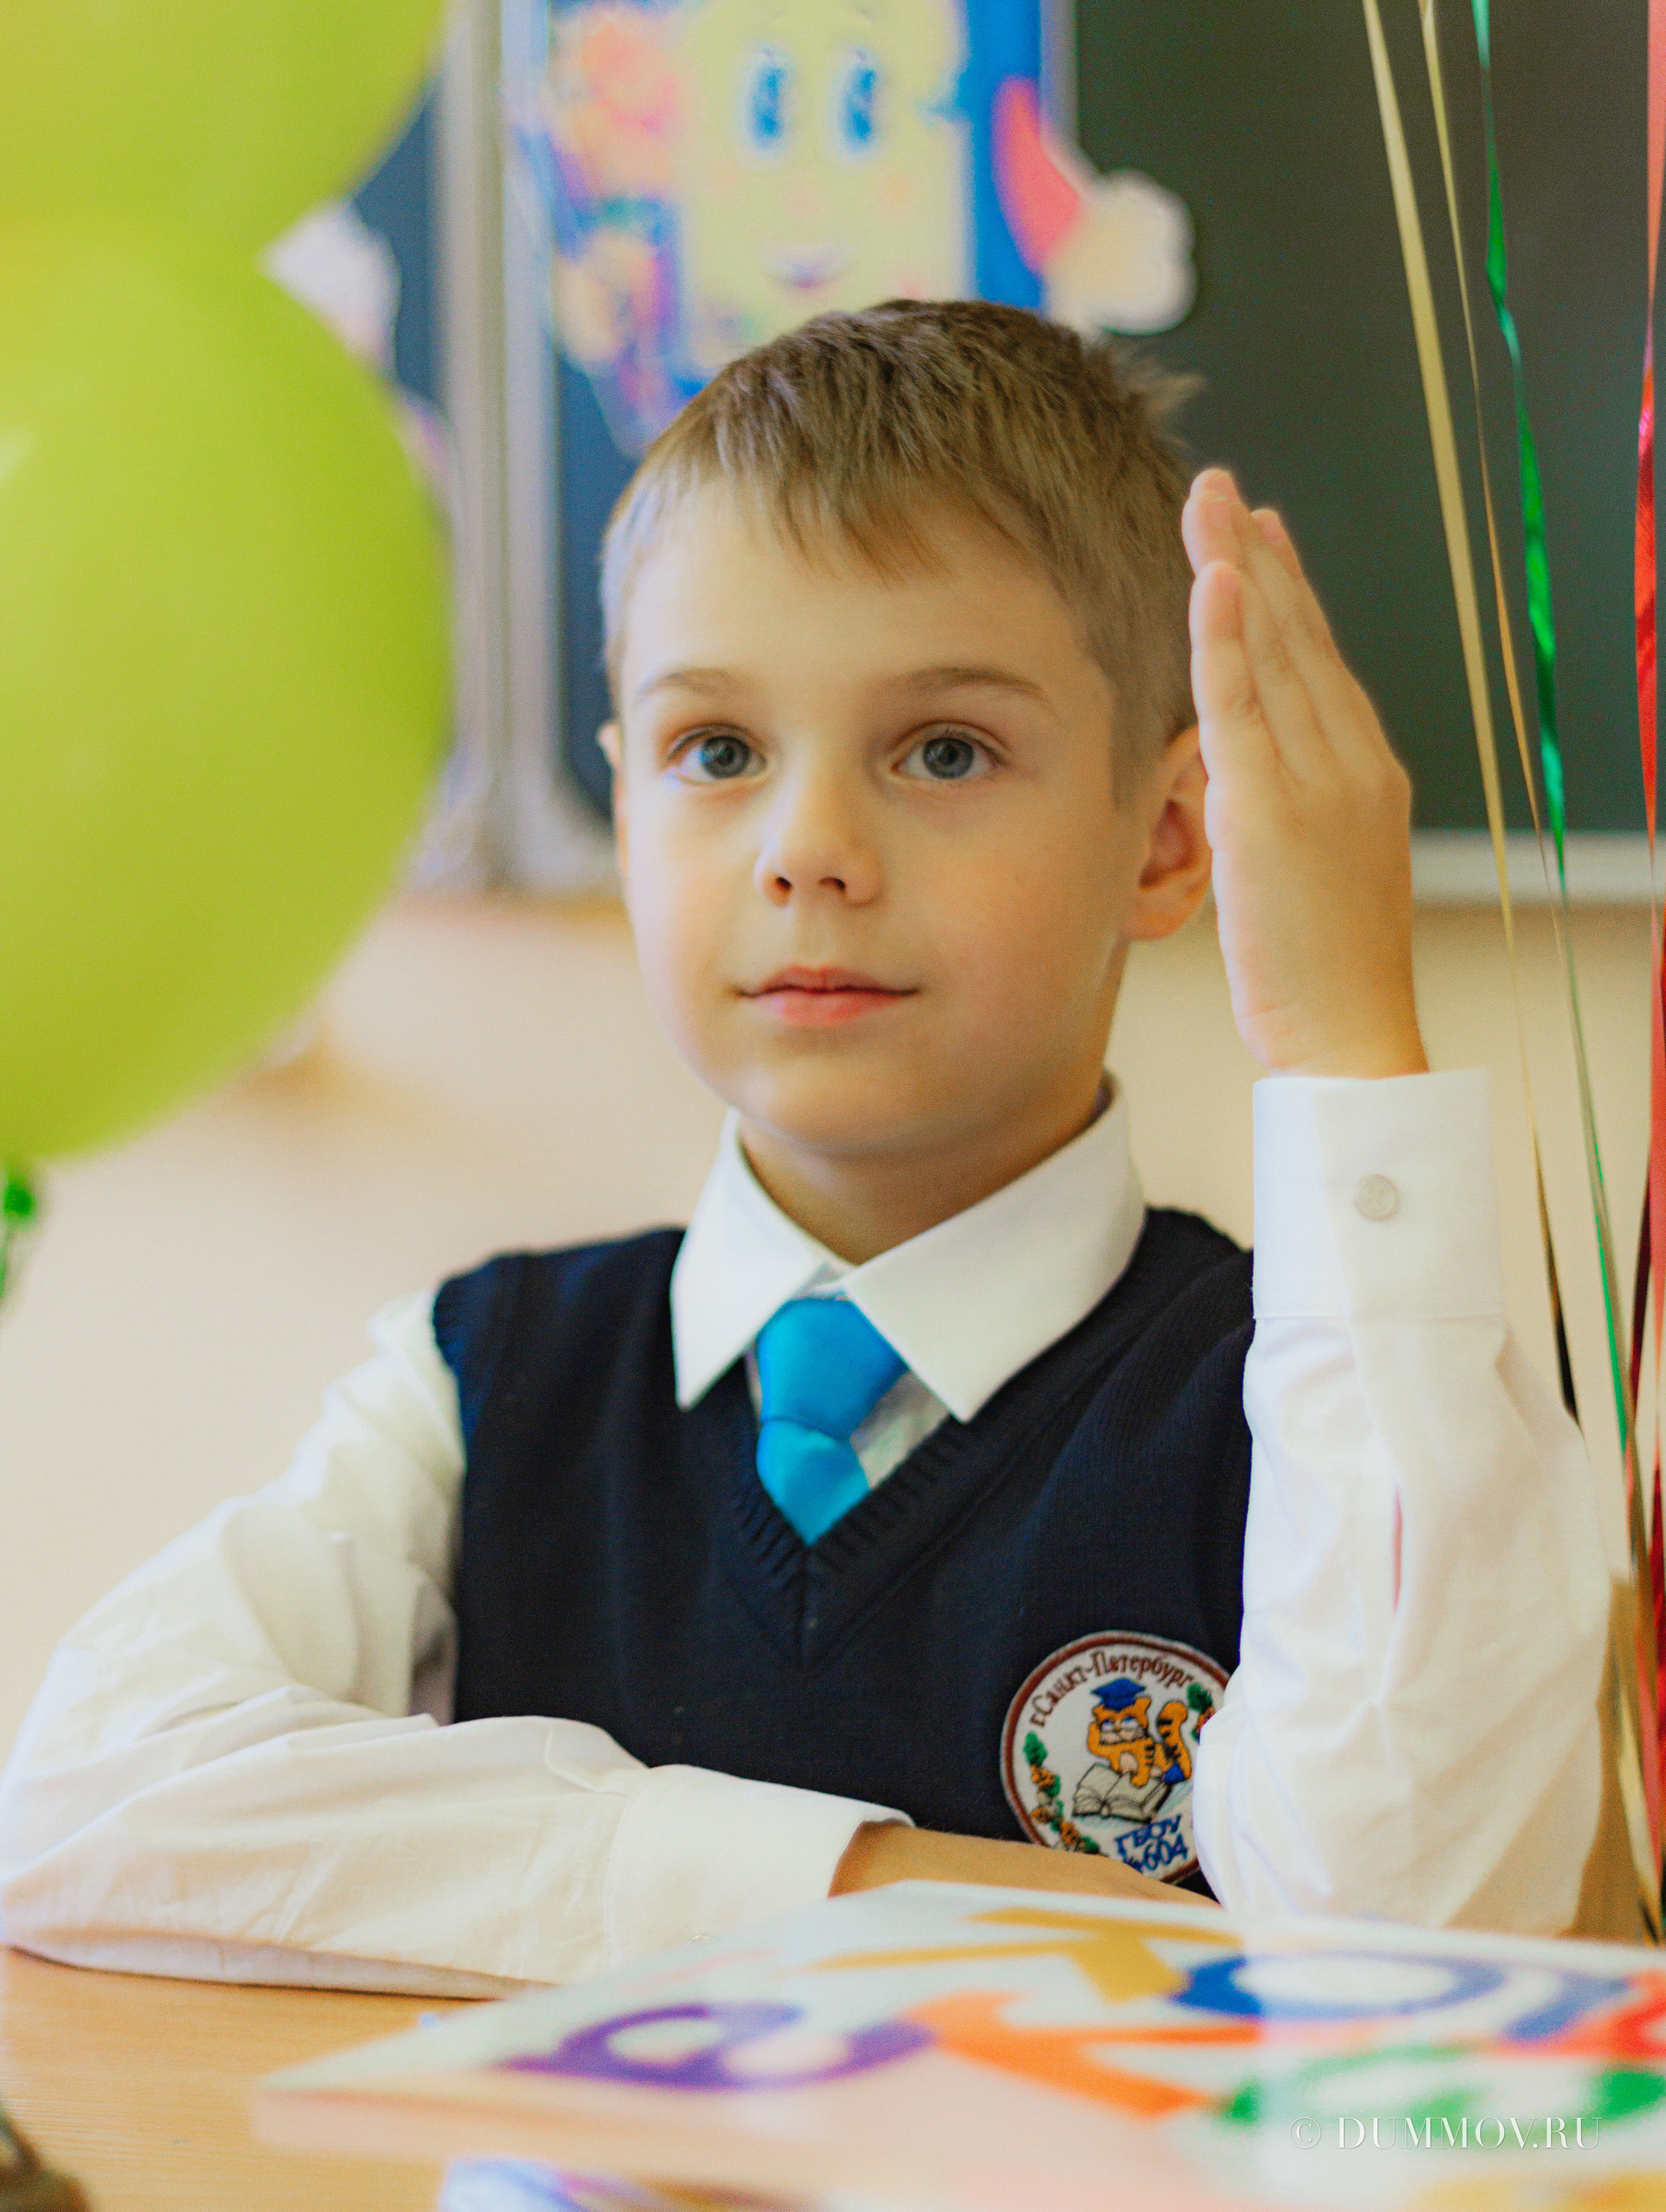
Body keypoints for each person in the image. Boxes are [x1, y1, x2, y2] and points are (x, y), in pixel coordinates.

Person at [0, 303, 1608, 1998]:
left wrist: (1348, 1054)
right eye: (718, 751)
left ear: (1169, 837)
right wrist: (872, 1885)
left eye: (943, 750)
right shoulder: (489, 1380)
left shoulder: (1332, 1394)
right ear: (624, 808)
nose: (809, 848)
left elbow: (1411, 1954)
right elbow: (89, 1795)